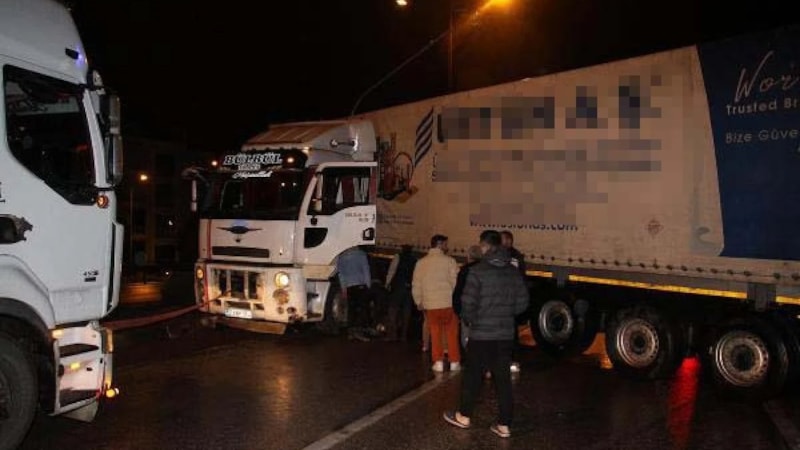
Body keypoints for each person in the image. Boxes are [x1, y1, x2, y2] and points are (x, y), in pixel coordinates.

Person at [443, 230, 530, 439]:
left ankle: (464, 416)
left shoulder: (477, 271)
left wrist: (471, 320)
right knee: (503, 380)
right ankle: (504, 425)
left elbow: (467, 304)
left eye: (481, 245)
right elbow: (523, 303)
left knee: (473, 376)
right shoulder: (513, 272)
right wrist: (506, 314)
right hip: (505, 334)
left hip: (481, 334)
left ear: (485, 246)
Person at [412, 234, 460, 372]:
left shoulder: (421, 263)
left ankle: (438, 362)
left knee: (435, 333)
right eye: (445, 244)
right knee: (451, 333)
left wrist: (418, 300)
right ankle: (454, 361)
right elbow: (455, 282)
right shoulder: (450, 261)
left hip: (430, 304)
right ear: (440, 244)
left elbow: (416, 284)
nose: (447, 247)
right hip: (448, 303)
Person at [501, 230, 527, 373]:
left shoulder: (508, 257)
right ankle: (511, 360)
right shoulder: (516, 256)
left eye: (502, 239)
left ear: (508, 241)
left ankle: (506, 359)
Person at [335, 246, 372, 341]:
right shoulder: (361, 254)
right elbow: (366, 270)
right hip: (360, 284)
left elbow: (341, 274)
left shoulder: (341, 256)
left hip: (349, 286)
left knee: (351, 309)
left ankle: (351, 332)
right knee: (361, 309)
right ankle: (359, 332)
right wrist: (368, 285)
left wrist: (343, 288)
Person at [385, 245, 417, 342]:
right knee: (406, 311)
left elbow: (392, 271)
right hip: (409, 288)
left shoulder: (398, 257)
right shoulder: (414, 260)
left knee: (393, 309)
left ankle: (393, 334)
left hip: (398, 286)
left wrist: (387, 283)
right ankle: (404, 334)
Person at [453, 245, 482, 350]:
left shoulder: (464, 270)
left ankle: (469, 353)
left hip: (467, 309)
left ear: (469, 256)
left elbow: (459, 290)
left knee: (466, 334)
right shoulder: (486, 270)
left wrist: (457, 308)